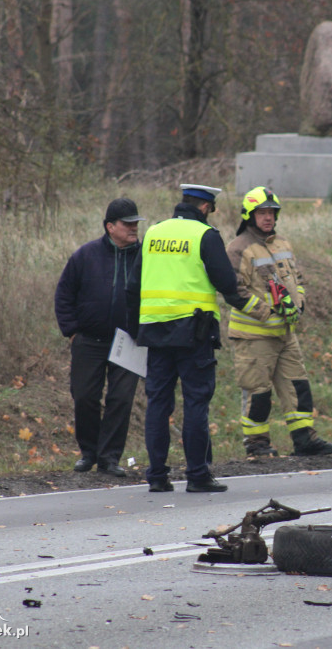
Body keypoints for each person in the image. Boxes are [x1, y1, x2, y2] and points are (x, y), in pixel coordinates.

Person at [126, 184, 247, 493]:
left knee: (158, 404)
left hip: (154, 332)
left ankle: (156, 477)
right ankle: (197, 475)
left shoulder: (152, 233)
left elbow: (132, 286)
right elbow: (226, 283)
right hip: (194, 333)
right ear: (206, 208)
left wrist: (134, 329)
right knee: (195, 403)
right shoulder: (205, 236)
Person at [226, 186, 332, 457]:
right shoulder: (237, 248)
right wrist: (266, 312)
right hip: (255, 335)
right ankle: (256, 444)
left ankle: (304, 439)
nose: (268, 217)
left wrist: (299, 302)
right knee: (258, 392)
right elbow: (234, 291)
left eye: (271, 212)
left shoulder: (283, 244)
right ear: (249, 215)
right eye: (262, 212)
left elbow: (297, 279)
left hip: (286, 332)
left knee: (297, 385)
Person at [55, 197, 144, 477]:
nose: (133, 229)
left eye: (136, 224)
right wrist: (71, 331)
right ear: (110, 226)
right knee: (84, 397)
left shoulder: (146, 258)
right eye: (127, 224)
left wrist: (147, 333)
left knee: (120, 400)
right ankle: (89, 453)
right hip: (89, 341)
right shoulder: (85, 255)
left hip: (130, 341)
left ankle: (109, 458)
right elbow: (64, 294)